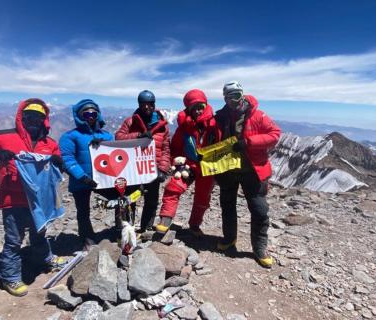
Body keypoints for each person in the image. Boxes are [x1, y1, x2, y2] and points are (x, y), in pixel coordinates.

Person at [0, 98, 67, 297]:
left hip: (39, 202)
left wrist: (58, 162)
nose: (33, 120)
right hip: (13, 200)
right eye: (29, 116)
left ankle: (44, 258)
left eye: (38, 117)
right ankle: (10, 277)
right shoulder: (2, 137)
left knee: (39, 232)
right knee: (14, 240)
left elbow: (59, 166)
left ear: (44, 120)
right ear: (21, 117)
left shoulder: (49, 143)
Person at [214, 81, 281, 268]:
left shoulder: (258, 115)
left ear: (242, 95)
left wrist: (249, 142)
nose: (232, 100)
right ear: (224, 98)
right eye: (229, 97)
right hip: (228, 168)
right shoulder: (220, 117)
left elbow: (275, 134)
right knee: (227, 206)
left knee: (259, 210)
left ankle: (259, 248)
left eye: (236, 95)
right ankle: (229, 239)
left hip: (253, 170)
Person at [156, 89, 218, 235]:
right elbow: (176, 148)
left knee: (203, 197)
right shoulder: (183, 127)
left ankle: (195, 225)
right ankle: (166, 218)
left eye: (200, 107)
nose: (197, 110)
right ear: (188, 109)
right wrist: (176, 162)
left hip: (208, 166)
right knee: (173, 187)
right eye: (194, 107)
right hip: (188, 165)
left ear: (205, 106)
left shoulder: (215, 125)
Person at [59, 99, 114, 247]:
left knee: (119, 199)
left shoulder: (107, 136)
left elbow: (115, 156)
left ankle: (120, 227)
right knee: (83, 211)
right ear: (79, 116)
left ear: (98, 115)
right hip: (81, 181)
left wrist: (102, 144)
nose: (90, 117)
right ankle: (87, 238)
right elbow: (67, 160)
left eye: (93, 113)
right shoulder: (69, 136)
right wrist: (82, 177)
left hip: (104, 180)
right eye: (86, 114)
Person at [115, 90, 171, 232]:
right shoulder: (130, 121)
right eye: (143, 104)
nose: (147, 107)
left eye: (150, 104)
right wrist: (138, 135)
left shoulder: (162, 125)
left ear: (154, 104)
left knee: (151, 200)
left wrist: (163, 169)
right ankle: (127, 229)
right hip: (132, 169)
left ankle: (146, 228)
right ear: (139, 105)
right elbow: (118, 137)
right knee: (129, 198)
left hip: (153, 169)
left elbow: (165, 148)